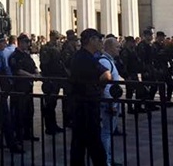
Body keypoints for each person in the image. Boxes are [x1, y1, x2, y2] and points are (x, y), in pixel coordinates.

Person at [69, 28, 111, 166]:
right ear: (91, 40)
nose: (101, 42)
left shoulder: (80, 56)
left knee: (79, 144)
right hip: (87, 106)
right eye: (99, 39)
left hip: (80, 104)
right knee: (94, 144)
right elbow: (106, 74)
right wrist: (100, 87)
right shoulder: (86, 58)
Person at [0, 34, 23, 153]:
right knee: (5, 117)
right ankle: (11, 143)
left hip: (2, 89)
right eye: (3, 42)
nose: (5, 44)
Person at [9, 33, 40, 143]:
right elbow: (18, 70)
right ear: (20, 42)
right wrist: (32, 76)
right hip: (19, 86)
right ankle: (19, 135)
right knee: (19, 112)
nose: (28, 45)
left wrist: (37, 73)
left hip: (28, 86)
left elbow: (33, 66)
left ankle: (28, 132)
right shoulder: (14, 56)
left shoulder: (26, 55)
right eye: (26, 42)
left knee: (29, 110)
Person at [99, 37, 122, 166]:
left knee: (108, 132)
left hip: (111, 101)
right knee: (106, 132)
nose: (119, 49)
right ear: (108, 47)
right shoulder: (105, 61)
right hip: (109, 102)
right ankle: (105, 160)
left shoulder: (109, 61)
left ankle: (108, 158)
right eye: (116, 47)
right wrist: (111, 103)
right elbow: (107, 85)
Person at [40, 30, 66, 135]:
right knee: (49, 104)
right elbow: (45, 64)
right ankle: (49, 127)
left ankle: (54, 125)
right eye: (56, 38)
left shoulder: (57, 48)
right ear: (51, 37)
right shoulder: (46, 49)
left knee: (53, 103)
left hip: (56, 78)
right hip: (50, 79)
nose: (57, 40)